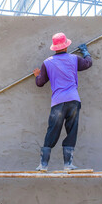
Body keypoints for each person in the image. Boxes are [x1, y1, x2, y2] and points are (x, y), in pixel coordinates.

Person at [33, 32, 92, 171]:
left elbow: (40, 83)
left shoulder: (47, 63)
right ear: (66, 46)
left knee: (52, 130)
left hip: (58, 103)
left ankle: (43, 164)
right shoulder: (74, 59)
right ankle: (68, 164)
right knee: (72, 130)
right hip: (73, 100)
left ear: (54, 48)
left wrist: (37, 76)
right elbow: (88, 63)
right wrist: (85, 51)